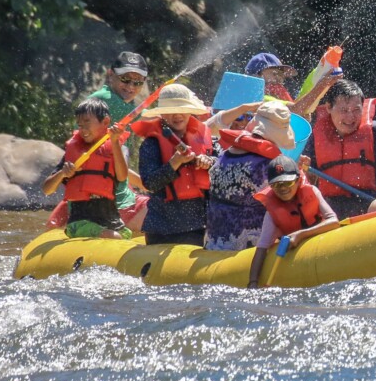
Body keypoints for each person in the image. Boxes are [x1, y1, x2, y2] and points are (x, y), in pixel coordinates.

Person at [204, 100, 297, 251]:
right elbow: (287, 205)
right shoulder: (266, 164)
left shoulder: (226, 154)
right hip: (248, 251)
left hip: (214, 242)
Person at [132, 83, 215, 247]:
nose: (177, 115)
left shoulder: (205, 138)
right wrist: (174, 163)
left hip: (196, 225)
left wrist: (209, 163)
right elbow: (150, 183)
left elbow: (221, 167)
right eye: (171, 111)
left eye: (182, 109)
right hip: (161, 227)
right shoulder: (151, 144)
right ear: (162, 114)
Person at [303, 79, 376, 220]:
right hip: (330, 210)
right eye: (344, 110)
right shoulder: (314, 139)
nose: (350, 117)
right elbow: (306, 183)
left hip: (369, 205)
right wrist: (304, 171)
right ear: (328, 107)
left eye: (356, 110)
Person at [42, 98, 132, 240]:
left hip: (110, 220)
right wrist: (62, 174)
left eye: (87, 122)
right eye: (79, 125)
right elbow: (47, 189)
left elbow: (121, 176)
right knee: (114, 237)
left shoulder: (119, 148)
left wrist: (114, 141)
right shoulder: (74, 152)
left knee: (126, 236)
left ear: (106, 122)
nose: (82, 129)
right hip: (79, 223)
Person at [247, 155, 339, 289]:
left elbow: (334, 221)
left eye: (288, 183)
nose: (283, 188)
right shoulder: (272, 214)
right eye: (277, 185)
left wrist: (300, 235)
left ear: (298, 180)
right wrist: (253, 283)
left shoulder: (312, 191)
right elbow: (261, 249)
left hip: (322, 245)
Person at [85, 50, 151, 231]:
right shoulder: (106, 100)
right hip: (107, 200)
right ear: (111, 74)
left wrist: (145, 184)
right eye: (125, 79)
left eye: (137, 82)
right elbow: (154, 121)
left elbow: (114, 164)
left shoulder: (123, 105)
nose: (131, 86)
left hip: (114, 191)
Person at [246, 52, 337, 118]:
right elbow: (295, 110)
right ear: (256, 76)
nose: (279, 79)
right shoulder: (258, 98)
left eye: (282, 76)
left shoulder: (275, 97)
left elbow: (296, 112)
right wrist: (322, 85)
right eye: (274, 74)